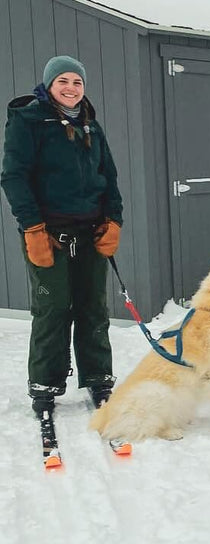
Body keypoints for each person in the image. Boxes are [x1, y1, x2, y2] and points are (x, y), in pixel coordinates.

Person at [1, 55, 124, 427]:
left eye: (77, 82)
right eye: (64, 81)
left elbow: (110, 178)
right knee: (53, 310)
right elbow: (14, 177)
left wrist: (113, 221)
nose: (71, 88)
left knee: (93, 307)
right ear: (50, 84)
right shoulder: (29, 121)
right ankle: (45, 385)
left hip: (91, 233)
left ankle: (98, 377)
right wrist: (32, 228)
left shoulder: (91, 125)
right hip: (48, 234)